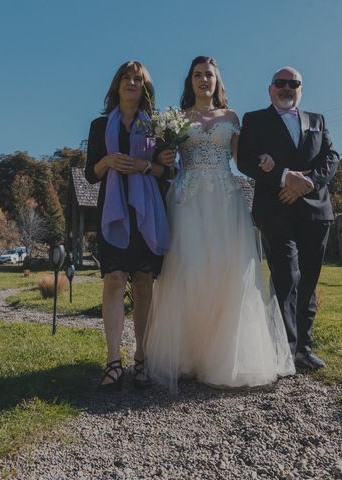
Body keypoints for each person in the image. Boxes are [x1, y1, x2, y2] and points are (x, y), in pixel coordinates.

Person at [144, 56, 295, 392]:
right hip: (189, 201)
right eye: (197, 75)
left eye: (209, 75)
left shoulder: (231, 117)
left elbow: (241, 161)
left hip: (226, 201)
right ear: (190, 81)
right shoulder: (178, 119)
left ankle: (223, 356)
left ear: (217, 81)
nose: (203, 80)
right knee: (190, 270)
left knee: (229, 272)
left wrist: (266, 161)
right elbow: (166, 160)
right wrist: (163, 157)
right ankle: (188, 355)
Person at [237, 66, 339, 370]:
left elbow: (331, 158)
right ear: (270, 89)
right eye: (280, 83)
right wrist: (285, 178)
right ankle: (283, 351)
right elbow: (245, 160)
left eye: (293, 83)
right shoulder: (254, 120)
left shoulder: (317, 121)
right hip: (275, 210)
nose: (286, 88)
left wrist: (309, 183)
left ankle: (303, 349)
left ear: (301, 89)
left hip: (316, 210)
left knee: (308, 280)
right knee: (286, 277)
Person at [84, 61, 172, 391]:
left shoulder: (159, 127)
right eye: (126, 77)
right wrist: (107, 161)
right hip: (113, 212)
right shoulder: (98, 126)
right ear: (117, 84)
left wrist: (144, 166)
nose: (131, 82)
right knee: (115, 280)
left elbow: (168, 173)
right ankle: (112, 361)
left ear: (145, 88)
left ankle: (143, 359)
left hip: (148, 212)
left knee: (145, 282)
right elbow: (90, 173)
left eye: (138, 79)